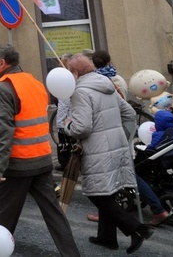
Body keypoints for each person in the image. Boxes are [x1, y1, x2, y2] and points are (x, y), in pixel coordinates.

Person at [0, 44, 79, 257]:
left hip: (17, 163)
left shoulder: (1, 88)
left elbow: (4, 131)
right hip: (42, 160)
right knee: (55, 215)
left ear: (2, 63)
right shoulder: (35, 82)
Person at [65, 53, 152, 254]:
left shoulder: (80, 91)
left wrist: (68, 125)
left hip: (97, 150)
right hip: (116, 146)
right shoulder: (106, 83)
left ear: (75, 72)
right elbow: (129, 113)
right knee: (107, 192)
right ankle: (107, 238)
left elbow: (82, 128)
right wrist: (120, 135)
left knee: (97, 194)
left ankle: (136, 229)